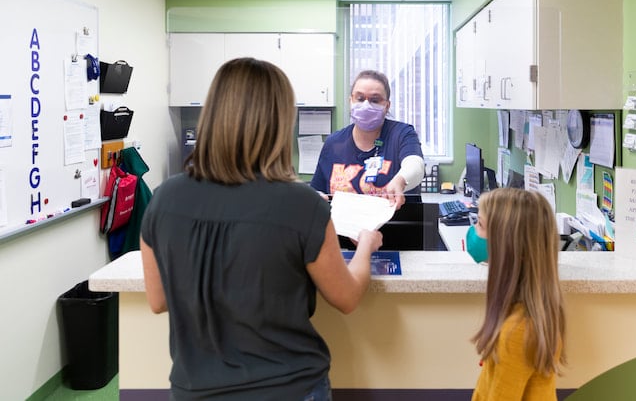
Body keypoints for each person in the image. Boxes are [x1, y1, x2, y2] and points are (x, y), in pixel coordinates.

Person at [140, 58, 383, 400]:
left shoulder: (163, 200)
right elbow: (345, 297)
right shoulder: (301, 204)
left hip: (196, 390)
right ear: (280, 122)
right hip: (290, 388)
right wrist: (365, 246)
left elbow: (158, 300)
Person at [470, 188, 567, 401]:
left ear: (506, 244)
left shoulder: (517, 332)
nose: (473, 231)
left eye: (480, 224)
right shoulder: (523, 316)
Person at [310, 69, 425, 208]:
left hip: (395, 227)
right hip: (344, 228)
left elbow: (415, 164)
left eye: (375, 100)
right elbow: (317, 191)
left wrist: (400, 180)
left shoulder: (401, 134)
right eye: (359, 98)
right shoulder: (334, 143)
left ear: (387, 105)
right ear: (350, 100)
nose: (366, 105)